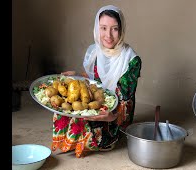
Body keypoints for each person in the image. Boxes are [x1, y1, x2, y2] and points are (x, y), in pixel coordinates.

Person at [51, 5, 142, 158]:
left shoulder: (131, 60)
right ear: (96, 28)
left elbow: (126, 100)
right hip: (97, 101)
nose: (109, 35)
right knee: (63, 106)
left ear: (121, 30)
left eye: (114, 29)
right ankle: (73, 141)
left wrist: (112, 116)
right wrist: (75, 77)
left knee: (97, 132)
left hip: (118, 113)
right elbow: (92, 84)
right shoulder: (94, 51)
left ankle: (93, 139)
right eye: (103, 28)